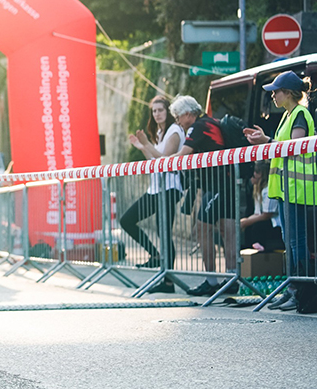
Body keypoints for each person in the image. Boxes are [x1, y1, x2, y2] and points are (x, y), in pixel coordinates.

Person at [244, 71, 315, 311]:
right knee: (290, 241)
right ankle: (293, 288)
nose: (273, 95)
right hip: (288, 190)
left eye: (276, 90)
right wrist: (265, 141)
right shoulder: (288, 115)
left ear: (289, 93)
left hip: (298, 190)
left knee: (297, 242)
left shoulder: (300, 115)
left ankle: (303, 291)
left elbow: (295, 148)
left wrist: (267, 142)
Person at [168, 95, 238, 296]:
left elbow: (183, 155)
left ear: (188, 114)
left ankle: (212, 281)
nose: (178, 122)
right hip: (228, 182)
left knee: (201, 229)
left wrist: (161, 163)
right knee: (227, 231)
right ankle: (232, 278)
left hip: (217, 186)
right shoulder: (211, 121)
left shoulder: (197, 127)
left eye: (178, 117)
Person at [120, 96, 184, 293]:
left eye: (160, 110)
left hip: (170, 188)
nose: (157, 114)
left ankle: (168, 282)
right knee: (127, 220)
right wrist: (143, 147)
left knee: (164, 232)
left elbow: (165, 160)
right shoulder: (159, 132)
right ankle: (155, 256)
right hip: (155, 189)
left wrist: (147, 144)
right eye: (154, 111)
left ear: (168, 111)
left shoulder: (174, 131)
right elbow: (153, 160)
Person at [240, 161, 284, 251]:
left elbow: (267, 215)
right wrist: (245, 221)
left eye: (253, 175)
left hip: (276, 223)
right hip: (267, 219)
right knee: (248, 225)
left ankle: (261, 247)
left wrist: (247, 222)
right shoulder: (257, 190)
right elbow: (257, 213)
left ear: (259, 174)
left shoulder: (268, 189)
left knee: (257, 226)